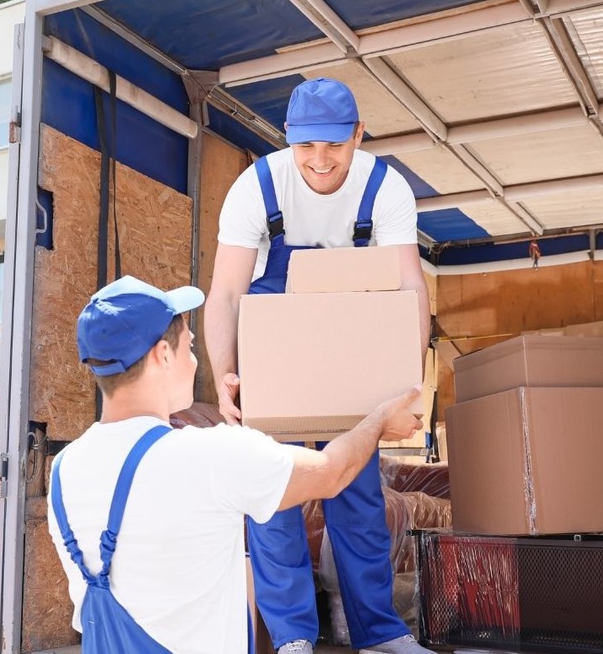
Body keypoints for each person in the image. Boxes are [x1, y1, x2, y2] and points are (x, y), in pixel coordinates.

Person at [47, 275, 423, 654]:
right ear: (162, 354)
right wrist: (377, 422)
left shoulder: (64, 471)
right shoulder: (212, 455)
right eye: (189, 348)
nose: (194, 361)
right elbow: (331, 471)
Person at [204, 77, 433, 654]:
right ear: (288, 139)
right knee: (275, 493)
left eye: (334, 144)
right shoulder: (256, 186)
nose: (321, 160)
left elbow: (410, 288)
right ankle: (292, 639)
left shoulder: (385, 187)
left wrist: (410, 385)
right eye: (307, 146)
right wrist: (226, 378)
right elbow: (226, 294)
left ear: (358, 134)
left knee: (356, 496)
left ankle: (377, 632)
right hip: (273, 344)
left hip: (347, 343)